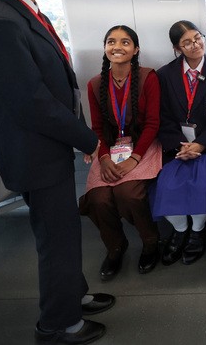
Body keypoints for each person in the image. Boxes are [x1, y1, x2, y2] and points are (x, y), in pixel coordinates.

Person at [0, 0, 113, 344]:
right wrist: (89, 139)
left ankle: (73, 295)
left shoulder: (27, 12)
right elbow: (30, 102)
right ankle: (58, 324)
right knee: (56, 239)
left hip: (47, 146)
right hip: (34, 151)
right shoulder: (0, 23)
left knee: (64, 231)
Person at [80, 25, 162, 281]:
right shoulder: (95, 84)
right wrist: (103, 158)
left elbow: (152, 124)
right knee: (99, 198)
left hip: (142, 145)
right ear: (105, 49)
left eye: (125, 42)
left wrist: (134, 159)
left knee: (129, 193)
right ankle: (115, 246)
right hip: (110, 148)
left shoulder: (148, 78)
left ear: (136, 50)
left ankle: (151, 243)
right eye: (111, 42)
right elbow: (96, 129)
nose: (118, 47)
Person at [150, 20, 206, 266]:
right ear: (177, 48)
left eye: (198, 38)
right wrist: (180, 145)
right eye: (187, 42)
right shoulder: (164, 75)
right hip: (176, 145)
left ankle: (197, 231)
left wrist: (200, 145)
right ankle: (180, 229)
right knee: (167, 181)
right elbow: (162, 117)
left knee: (203, 177)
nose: (195, 44)